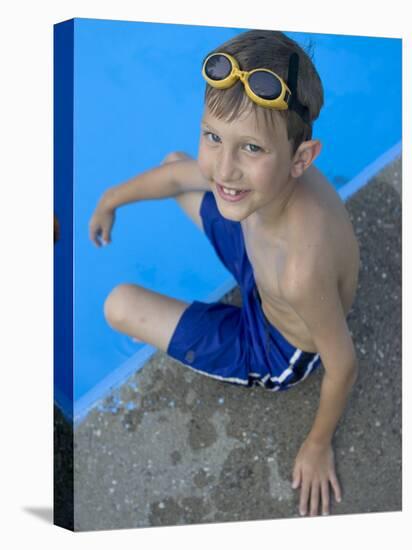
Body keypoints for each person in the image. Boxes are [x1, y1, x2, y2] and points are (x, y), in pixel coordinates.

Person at [89, 29, 360, 518]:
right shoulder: (267, 182)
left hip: (275, 344)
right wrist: (111, 199)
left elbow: (343, 364)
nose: (225, 168)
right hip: (262, 259)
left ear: (303, 158)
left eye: (250, 149)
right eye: (213, 136)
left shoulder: (301, 271)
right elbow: (180, 175)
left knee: (119, 306)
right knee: (178, 166)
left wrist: (318, 445)